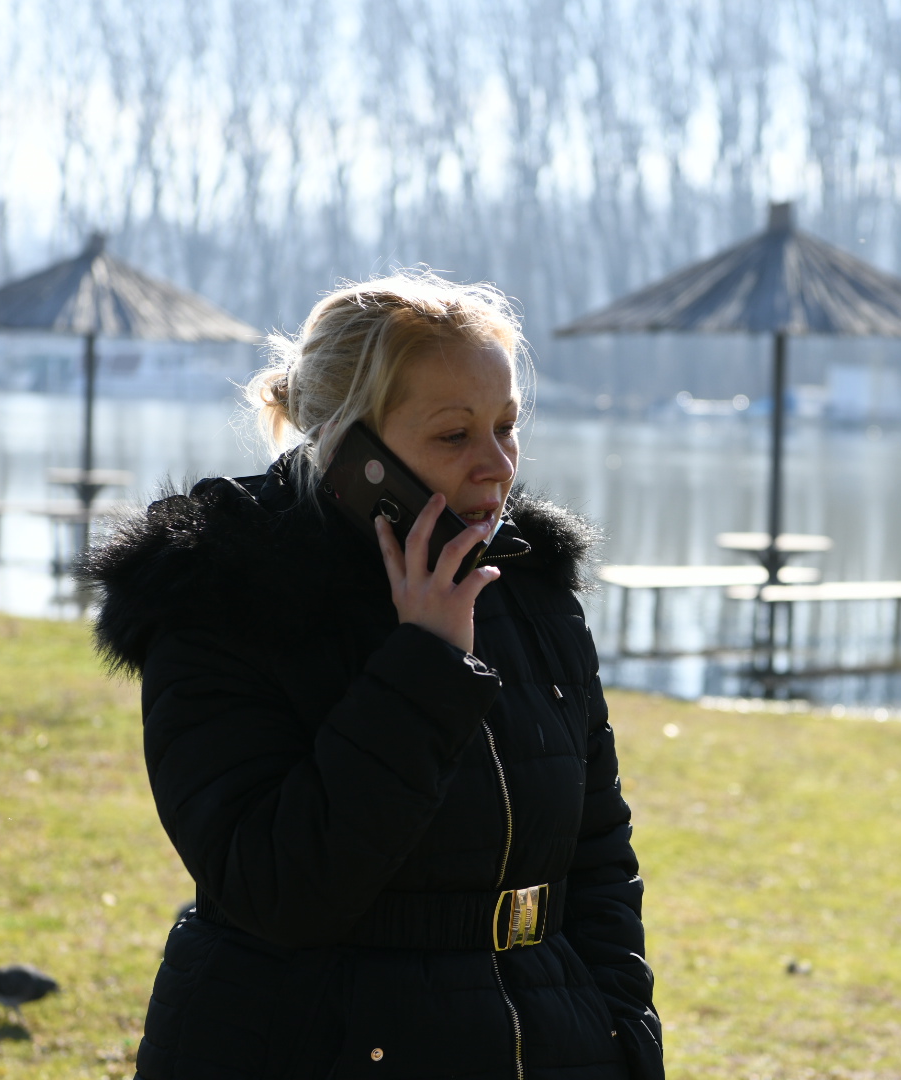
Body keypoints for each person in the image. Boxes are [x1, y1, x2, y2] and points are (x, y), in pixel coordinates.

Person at [84, 272, 662, 1080]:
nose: (496, 466)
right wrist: (425, 664)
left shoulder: (527, 586)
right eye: (454, 436)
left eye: (507, 426)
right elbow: (276, 886)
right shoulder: (223, 593)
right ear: (353, 448)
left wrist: (623, 1034)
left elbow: (598, 855)